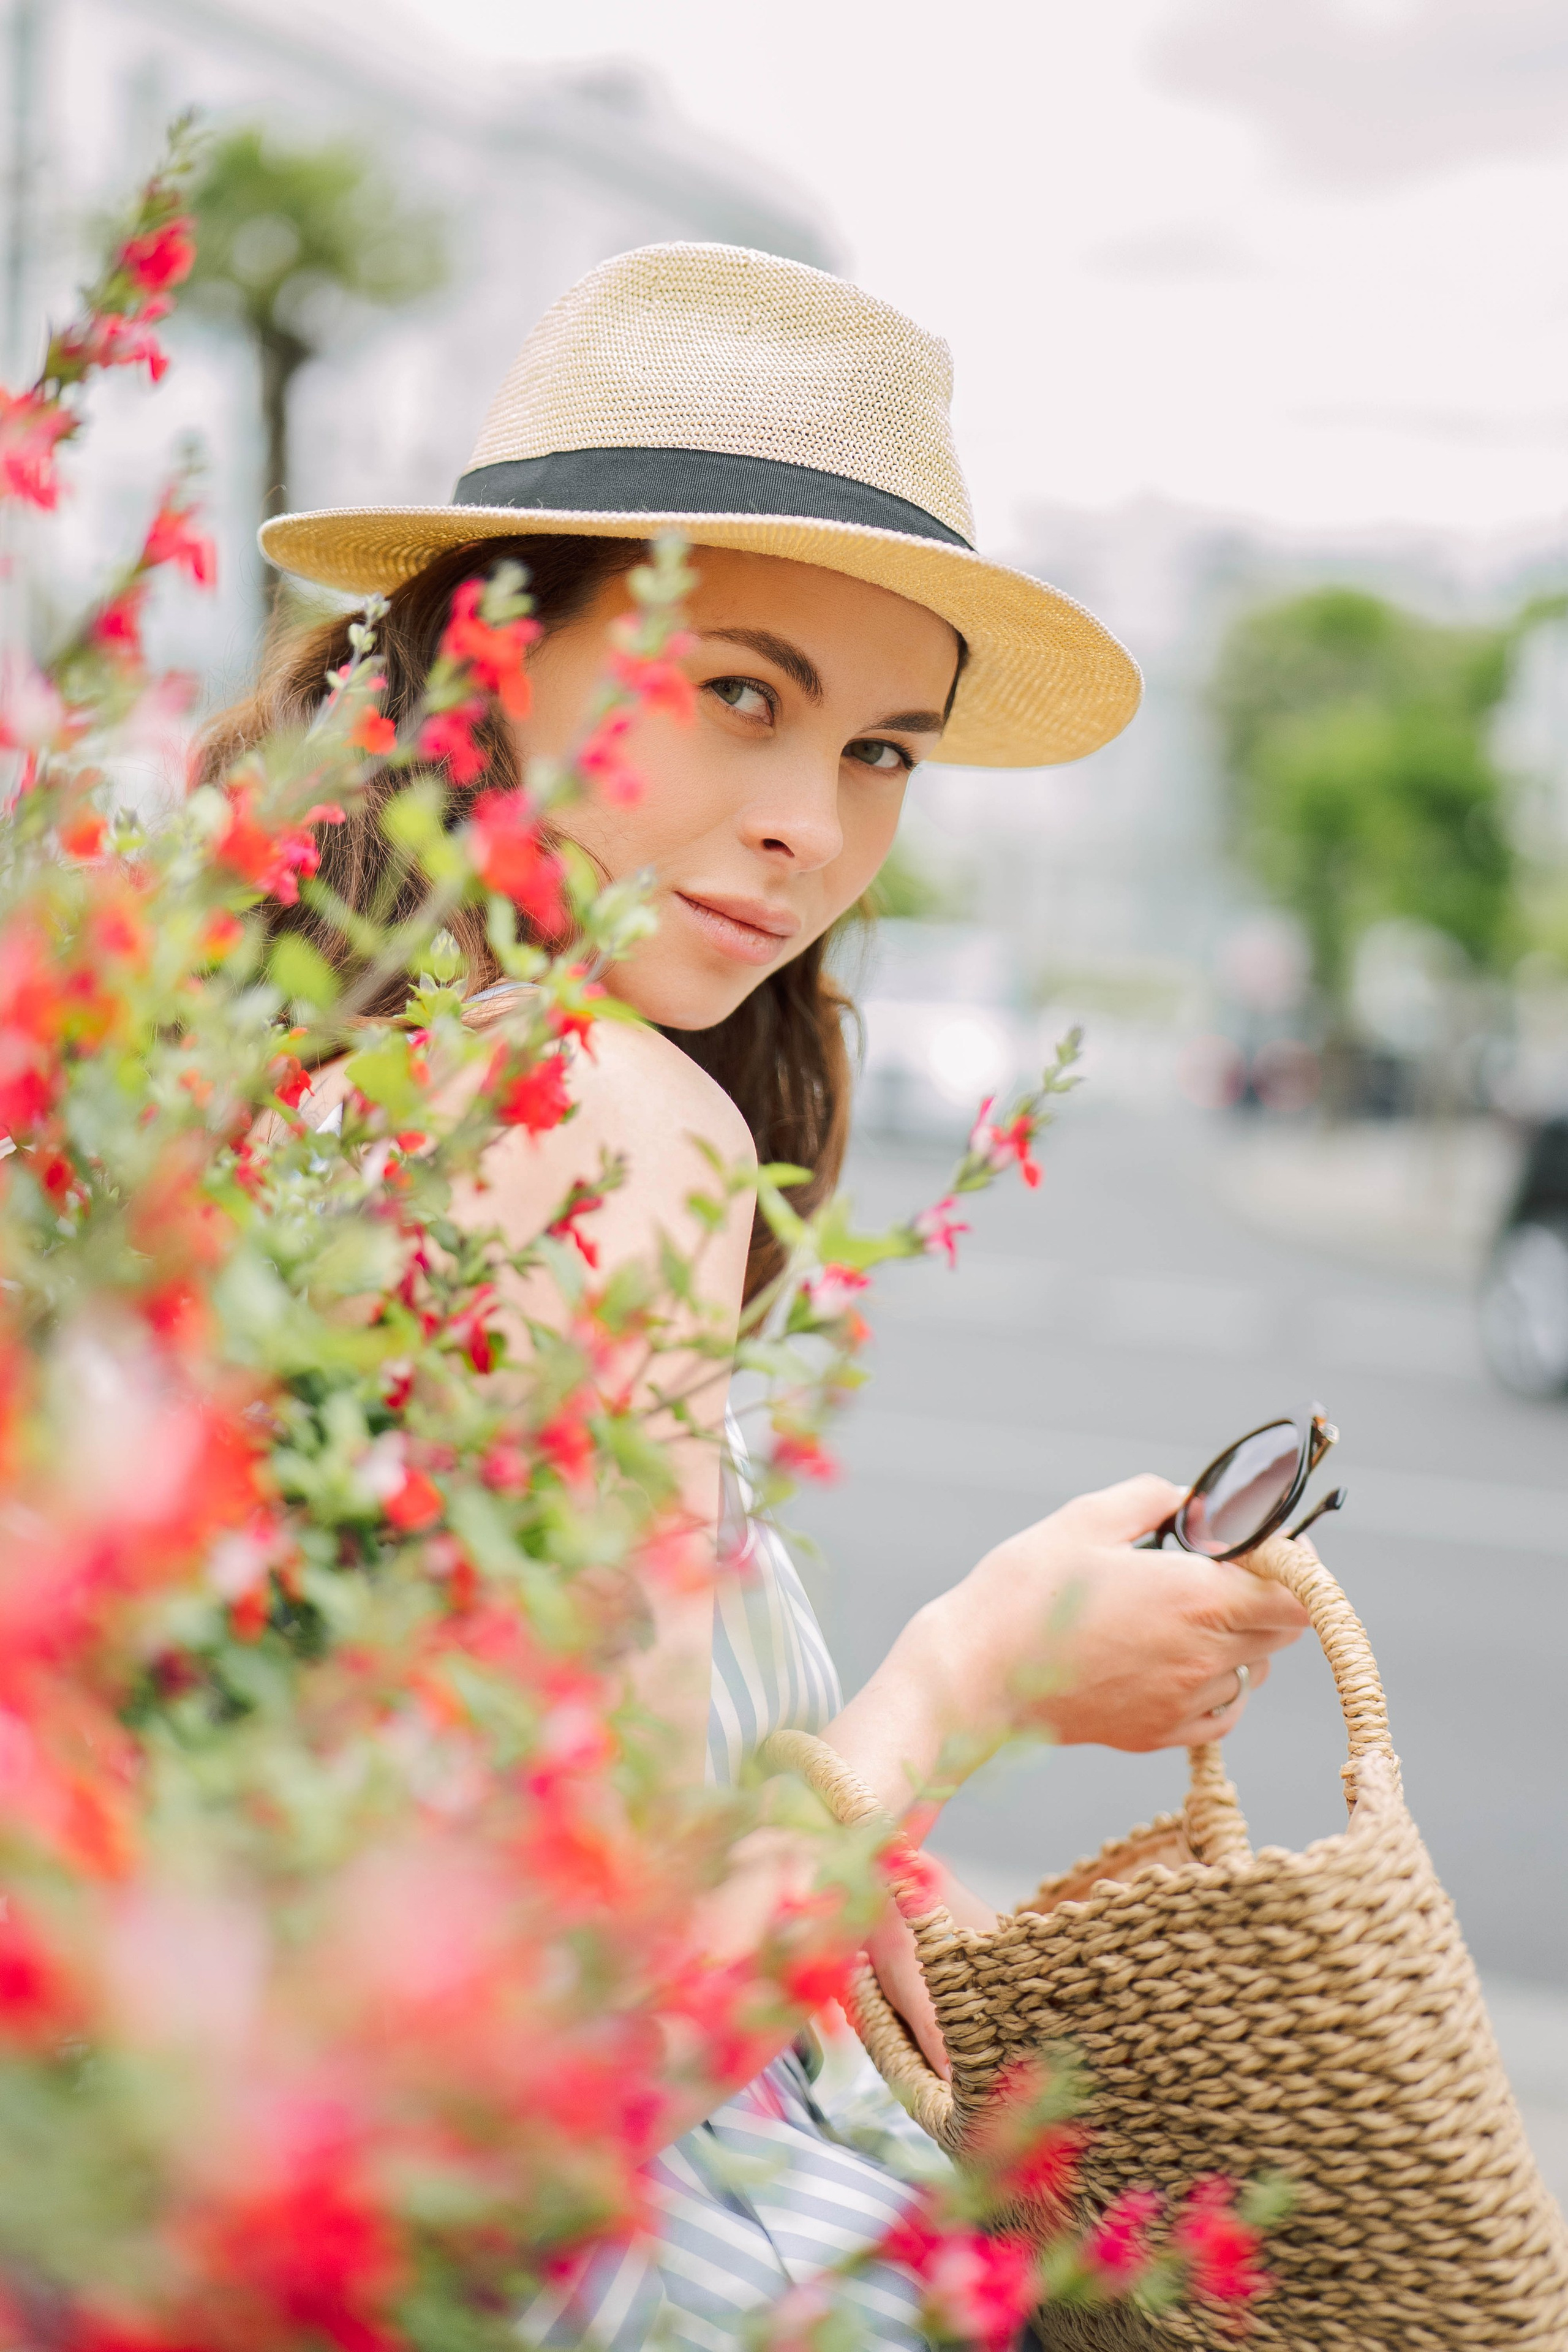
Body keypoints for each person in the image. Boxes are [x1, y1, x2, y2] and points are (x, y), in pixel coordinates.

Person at [214, 242, 1309, 2349]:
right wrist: (969, 1680)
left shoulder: (289, 1096)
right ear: (489, 664)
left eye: (887, 750)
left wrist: (830, 1837)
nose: (813, 827)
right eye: (740, 693)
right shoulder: (607, 1116)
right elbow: (550, 2073)